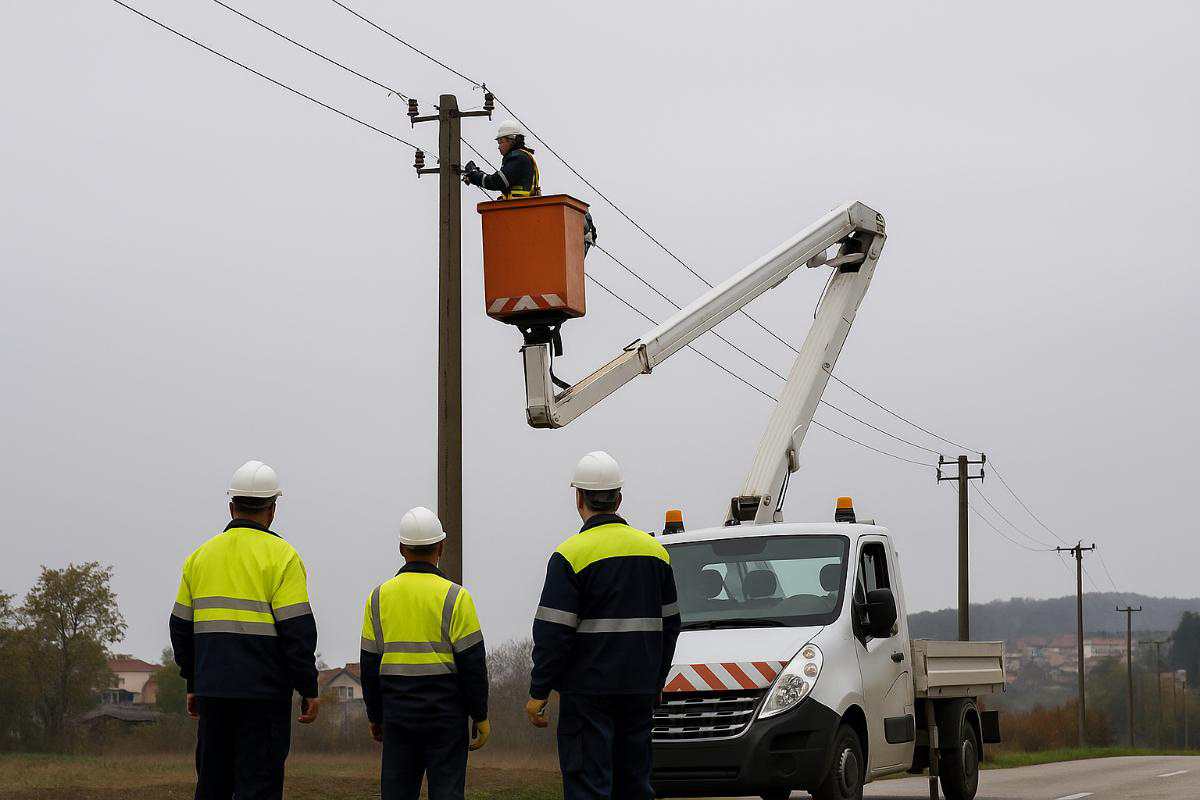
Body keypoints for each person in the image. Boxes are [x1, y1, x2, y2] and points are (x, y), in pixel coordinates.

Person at [526, 451, 681, 800]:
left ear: (578, 497)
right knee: (634, 786)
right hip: (639, 690)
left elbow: (554, 634)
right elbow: (671, 626)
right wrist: (656, 679)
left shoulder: (570, 555)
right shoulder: (655, 552)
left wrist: (540, 691)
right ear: (619, 499)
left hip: (587, 695)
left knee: (588, 788)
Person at [169, 460, 320, 800]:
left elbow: (180, 627)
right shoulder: (283, 557)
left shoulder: (199, 557)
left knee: (212, 787)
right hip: (265, 698)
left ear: (231, 506)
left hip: (213, 694)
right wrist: (307, 687)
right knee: (259, 788)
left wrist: (194, 681)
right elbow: (297, 631)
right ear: (273, 509)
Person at [359, 507, 489, 800]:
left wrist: (375, 716)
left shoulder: (377, 598)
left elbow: (369, 666)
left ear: (401, 548)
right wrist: (479, 715)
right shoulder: (457, 597)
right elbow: (473, 666)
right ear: (441, 547)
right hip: (447, 718)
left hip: (398, 717)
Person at [463, 120, 540, 199]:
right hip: (522, 206)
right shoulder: (523, 156)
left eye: (501, 142)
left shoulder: (517, 158)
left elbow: (497, 182)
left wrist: (475, 175)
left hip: (518, 208)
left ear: (511, 140)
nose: (499, 147)